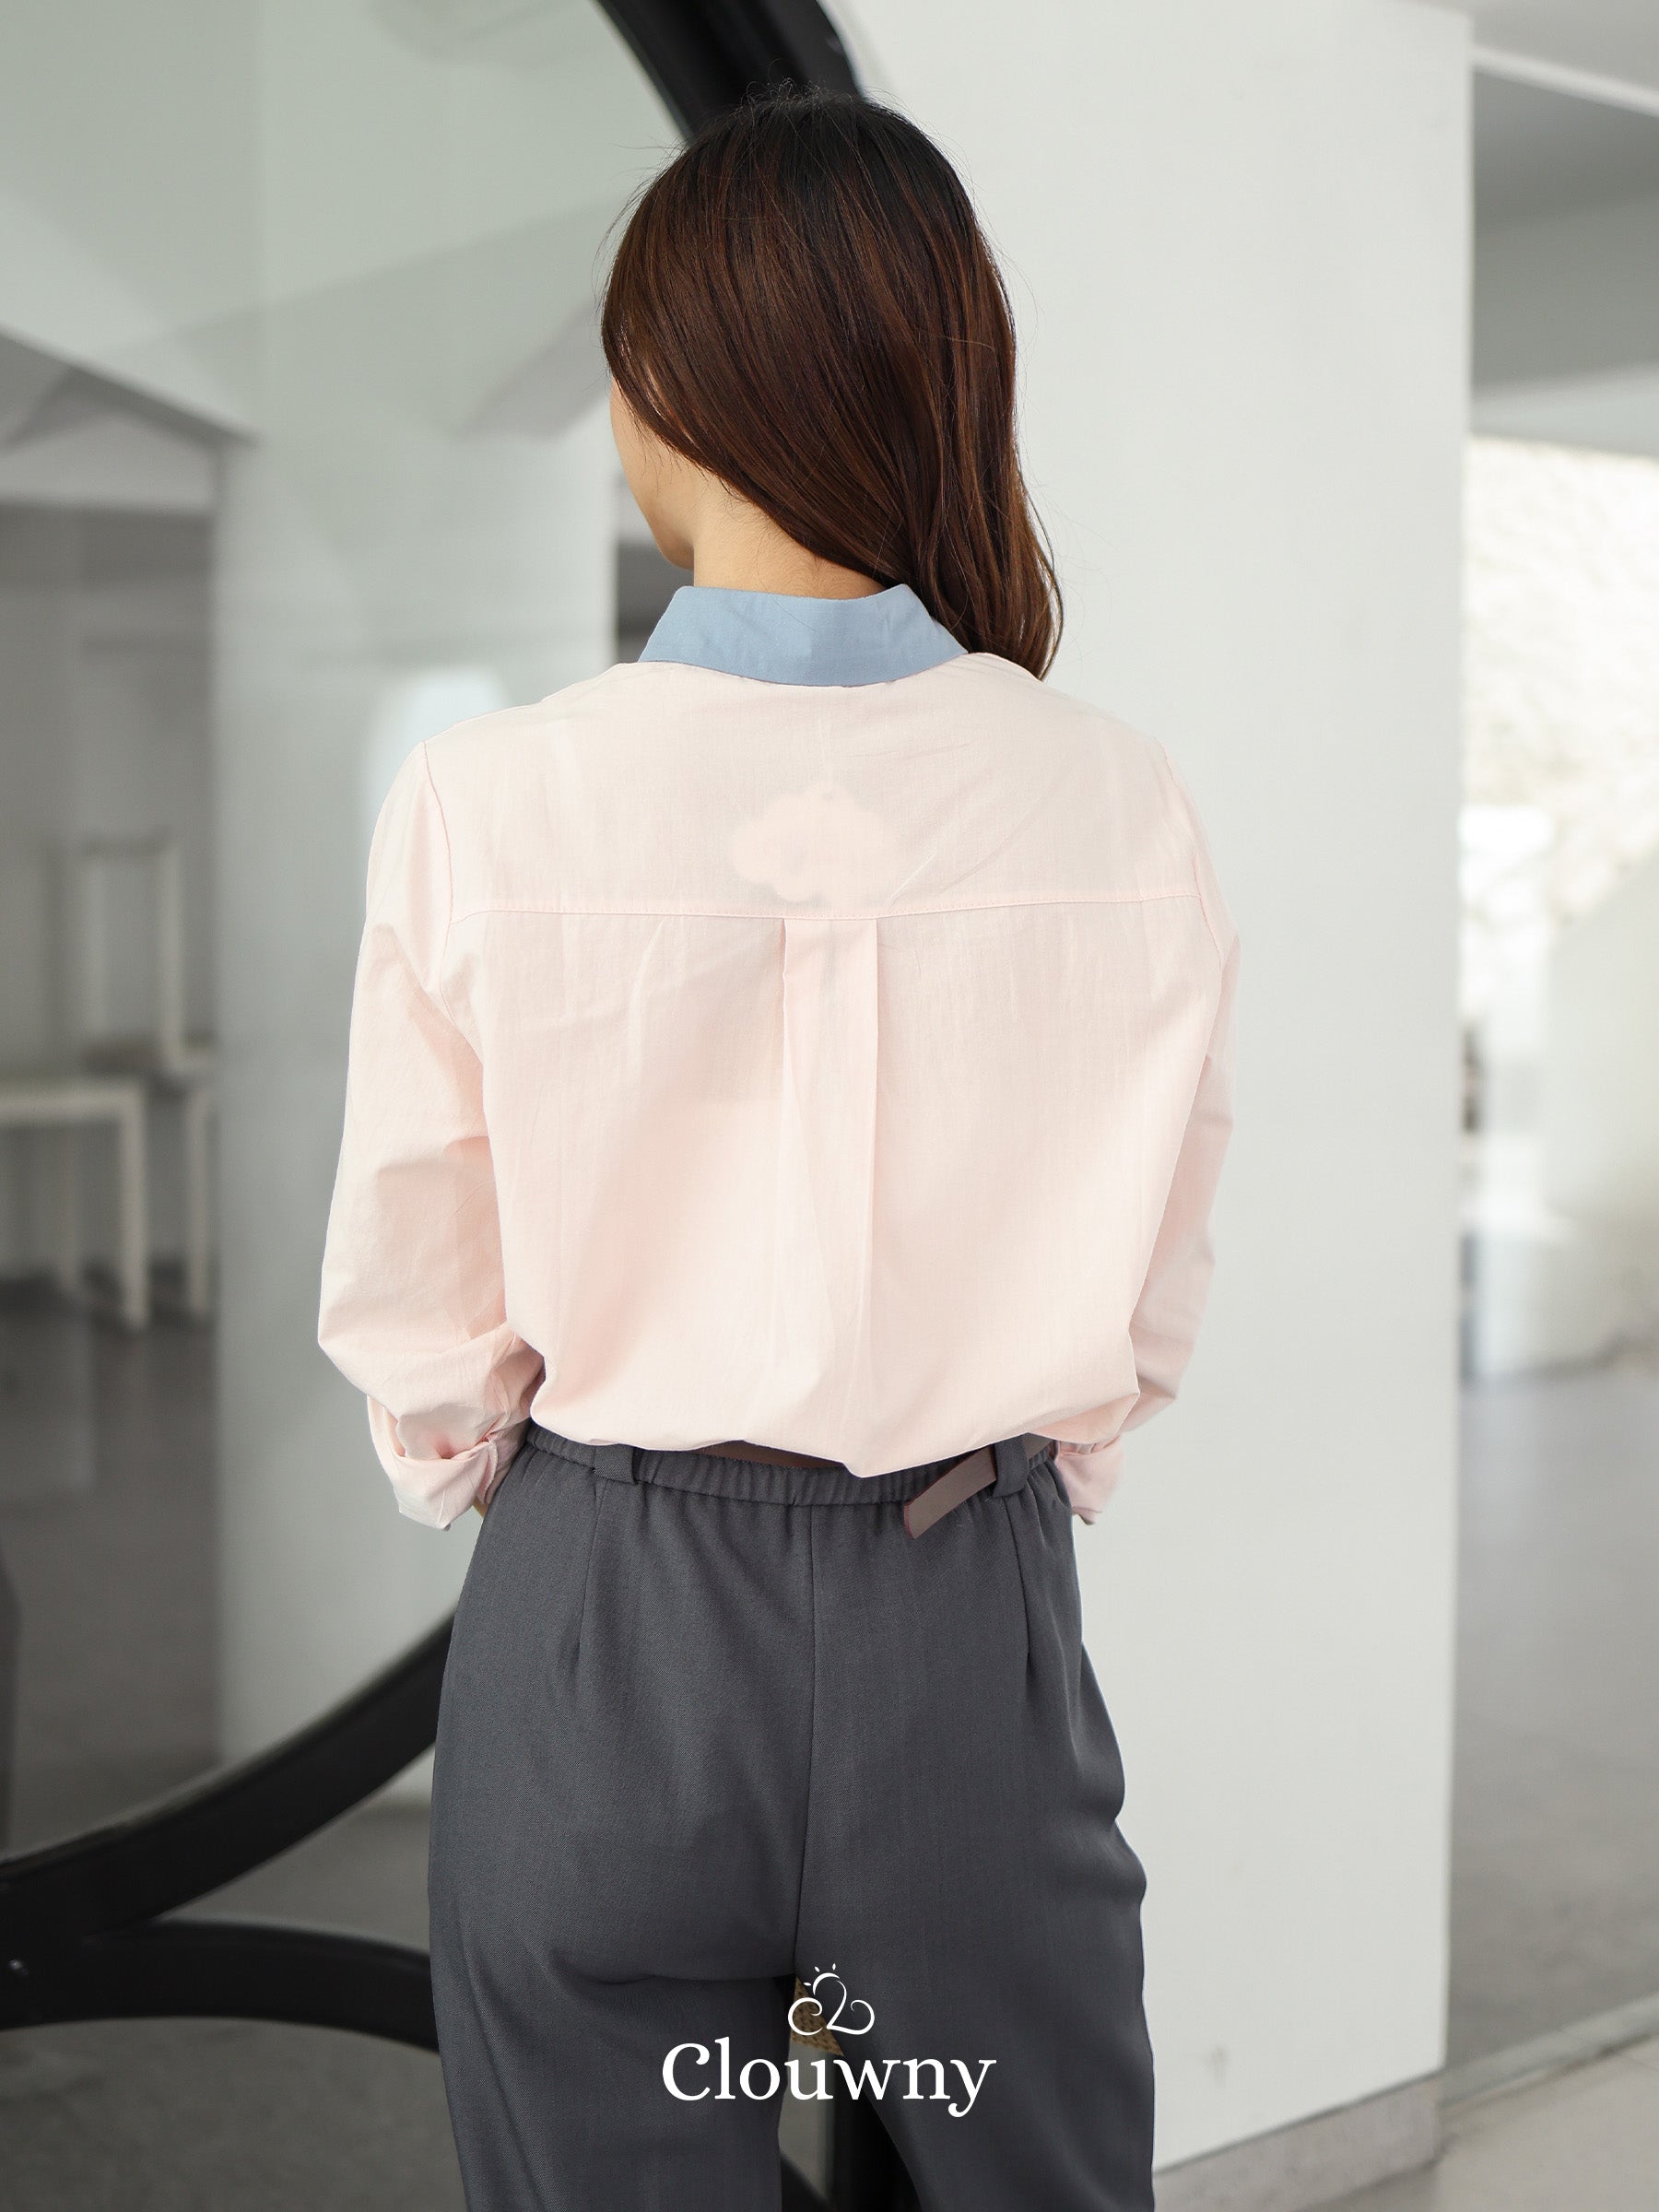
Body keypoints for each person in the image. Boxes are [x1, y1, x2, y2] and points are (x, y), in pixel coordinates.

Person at [318, 87, 1237, 2212]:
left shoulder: (488, 798)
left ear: (666, 393)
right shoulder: (1118, 797)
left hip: (609, 1611)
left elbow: (421, 1295)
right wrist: (1008, 1490)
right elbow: (1151, 1278)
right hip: (964, 1605)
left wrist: (522, 1487)